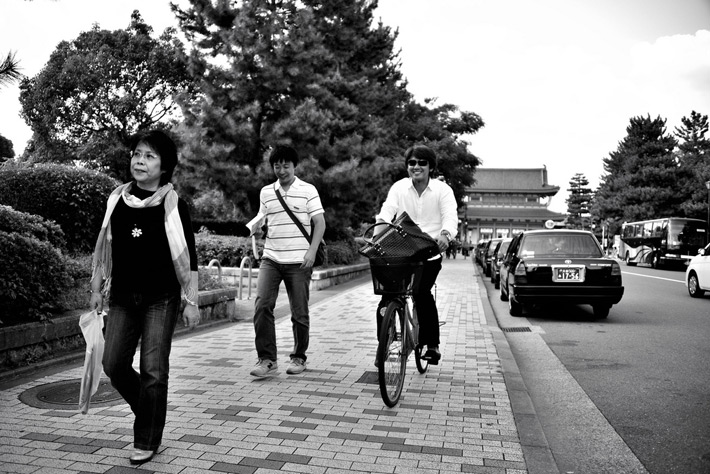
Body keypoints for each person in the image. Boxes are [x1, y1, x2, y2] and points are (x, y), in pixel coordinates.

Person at [89, 130, 199, 466]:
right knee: (113, 365)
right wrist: (96, 288)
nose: (140, 160)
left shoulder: (173, 204)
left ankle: (147, 437)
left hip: (160, 299)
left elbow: (189, 256)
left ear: (164, 167)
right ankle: (149, 410)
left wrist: (191, 302)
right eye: (137, 153)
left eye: (149, 156)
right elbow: (103, 247)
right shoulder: (117, 201)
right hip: (121, 296)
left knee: (154, 370)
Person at [374, 144, 458, 364]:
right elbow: (386, 213)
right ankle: (384, 341)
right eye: (412, 162)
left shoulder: (442, 190)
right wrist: (377, 234)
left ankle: (432, 345)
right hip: (402, 250)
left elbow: (450, 216)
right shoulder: (399, 188)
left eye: (422, 162)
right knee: (387, 297)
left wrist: (445, 235)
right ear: (407, 166)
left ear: (431, 167)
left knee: (421, 293)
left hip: (430, 251)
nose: (416, 166)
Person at [249, 145, 326, 378]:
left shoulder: (307, 190)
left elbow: (320, 223)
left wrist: (311, 252)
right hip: (271, 257)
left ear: (294, 166)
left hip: (299, 260)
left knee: (299, 312)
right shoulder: (266, 192)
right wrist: (257, 232)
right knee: (262, 305)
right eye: (277, 165)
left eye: (286, 165)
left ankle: (299, 357)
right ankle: (267, 359)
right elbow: (264, 222)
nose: (281, 170)